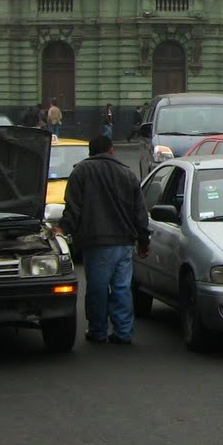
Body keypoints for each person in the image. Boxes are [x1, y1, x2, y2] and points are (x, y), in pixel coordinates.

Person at [58, 134, 150, 345]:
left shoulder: (81, 171)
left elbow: (73, 208)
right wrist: (144, 240)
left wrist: (63, 229)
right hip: (124, 242)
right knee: (121, 288)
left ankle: (98, 331)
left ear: (91, 151)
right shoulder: (128, 174)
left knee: (98, 289)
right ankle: (123, 332)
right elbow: (140, 212)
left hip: (96, 241)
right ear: (111, 150)